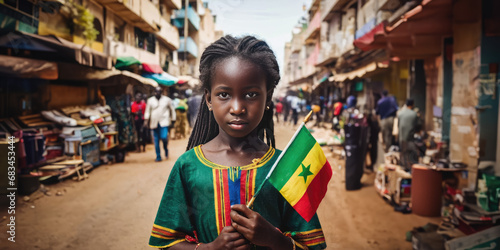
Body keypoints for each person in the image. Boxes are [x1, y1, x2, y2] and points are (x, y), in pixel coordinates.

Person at [149, 35, 326, 250]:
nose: (237, 108)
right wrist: (210, 248)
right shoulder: (188, 166)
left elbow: (311, 246)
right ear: (208, 99)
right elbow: (166, 242)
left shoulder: (286, 168)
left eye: (251, 94)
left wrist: (274, 239)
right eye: (224, 94)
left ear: (268, 98)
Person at [144, 87, 176, 162]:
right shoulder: (150, 100)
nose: (157, 93)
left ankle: (166, 149)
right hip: (154, 122)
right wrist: (146, 121)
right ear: (154, 92)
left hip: (164, 122)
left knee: (164, 137)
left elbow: (172, 109)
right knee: (156, 140)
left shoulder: (167, 100)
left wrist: (173, 119)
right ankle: (158, 156)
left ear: (161, 92)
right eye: (156, 92)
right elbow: (147, 111)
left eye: (159, 92)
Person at [398, 99, 419, 171]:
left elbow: (398, 125)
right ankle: (412, 171)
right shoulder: (414, 114)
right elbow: (417, 126)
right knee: (413, 155)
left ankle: (404, 169)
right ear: (412, 105)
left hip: (401, 138)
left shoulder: (400, 113)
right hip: (410, 139)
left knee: (403, 154)